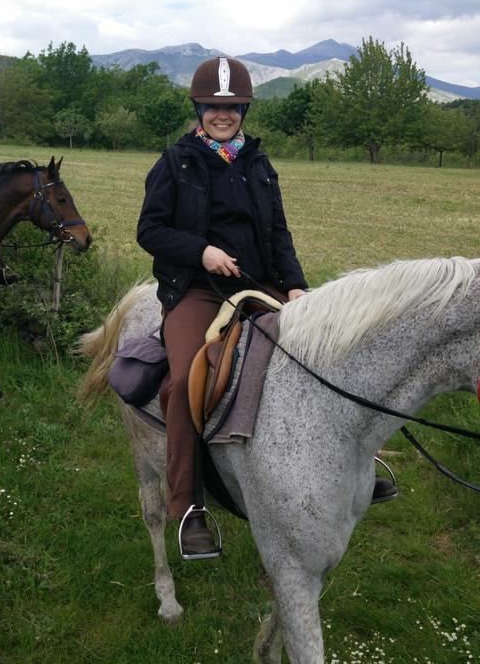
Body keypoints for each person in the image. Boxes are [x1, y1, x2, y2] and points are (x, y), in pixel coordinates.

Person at [137, 57, 395, 558]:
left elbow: (278, 232)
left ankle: (361, 468)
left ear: (243, 110)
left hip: (261, 285)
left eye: (232, 107)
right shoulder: (176, 161)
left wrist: (295, 287)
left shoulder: (258, 163)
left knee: (325, 355)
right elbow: (149, 231)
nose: (223, 114)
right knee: (190, 376)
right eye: (214, 106)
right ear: (199, 107)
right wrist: (201, 251)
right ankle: (190, 506)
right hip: (196, 289)